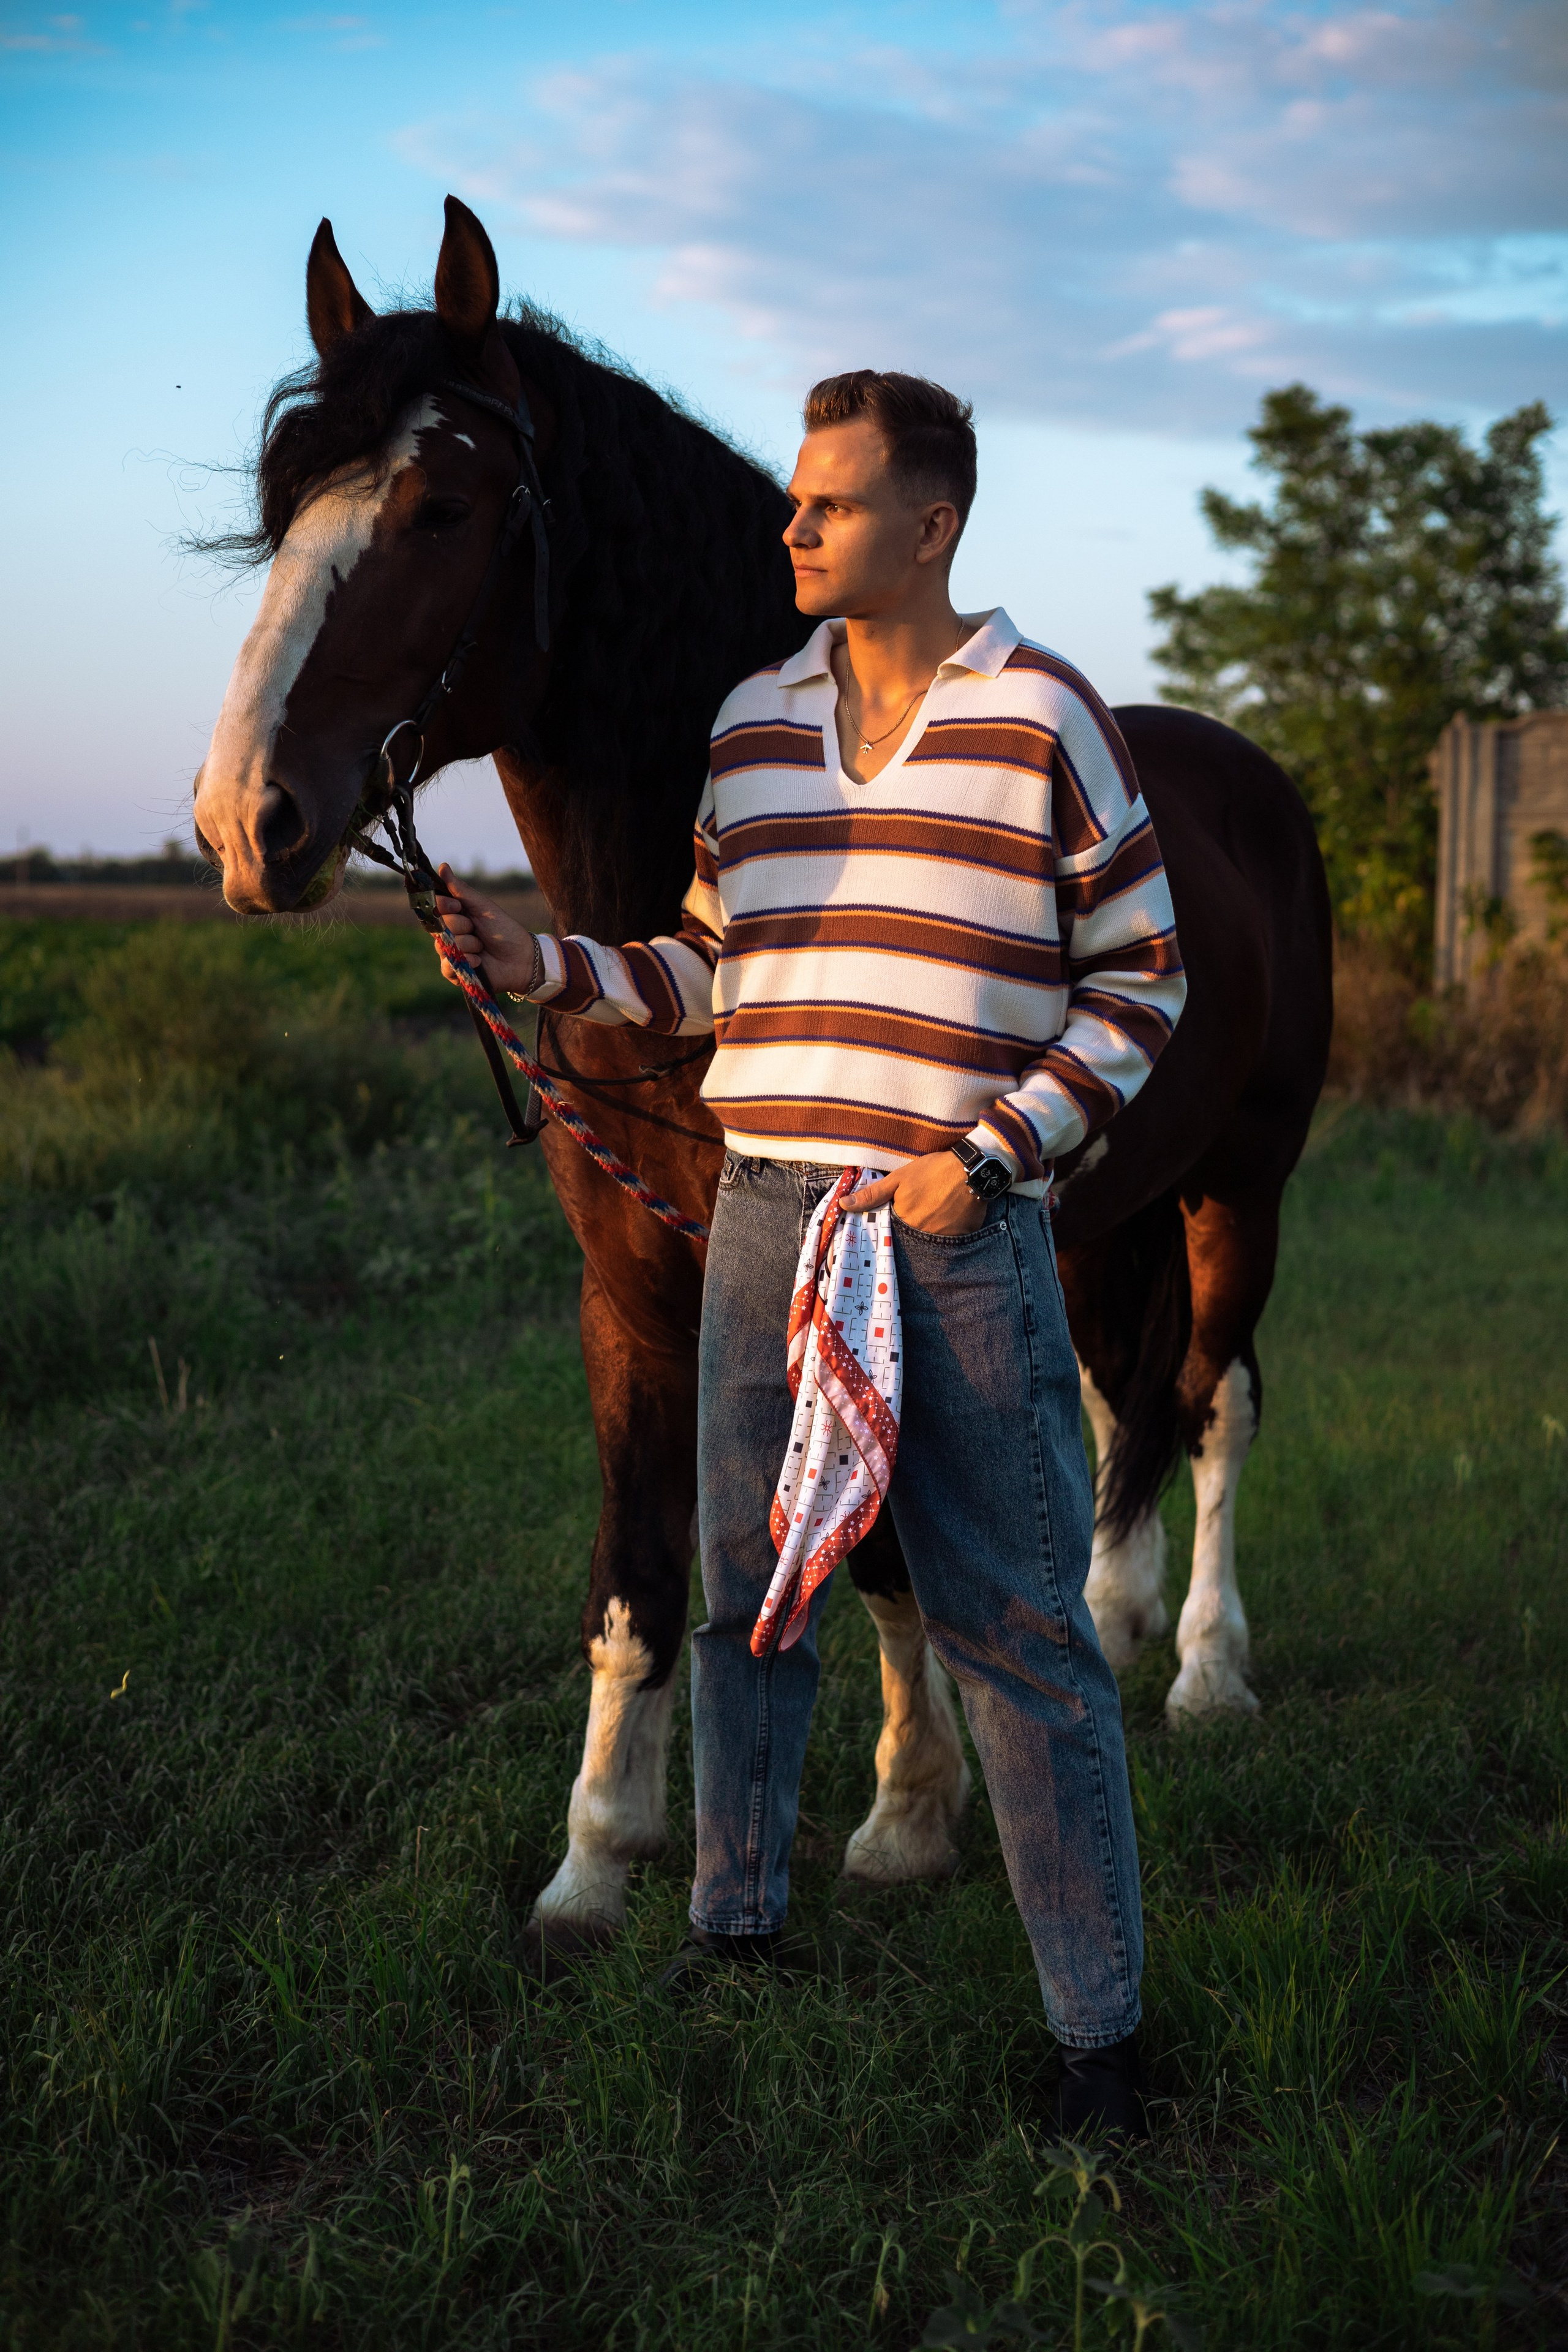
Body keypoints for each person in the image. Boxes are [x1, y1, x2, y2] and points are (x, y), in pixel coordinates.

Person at [432, 371, 1186, 2139]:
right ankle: (739, 1914)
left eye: (828, 506)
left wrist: (993, 1153)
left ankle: (1102, 2036)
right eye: (791, 501)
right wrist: (545, 963)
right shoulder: (753, 723)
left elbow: (1146, 978)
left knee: (1017, 1630)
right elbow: (711, 967)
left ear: (930, 527)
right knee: (746, 1598)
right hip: (765, 1210)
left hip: (950, 1227)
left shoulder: (1045, 714)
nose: (791, 529)